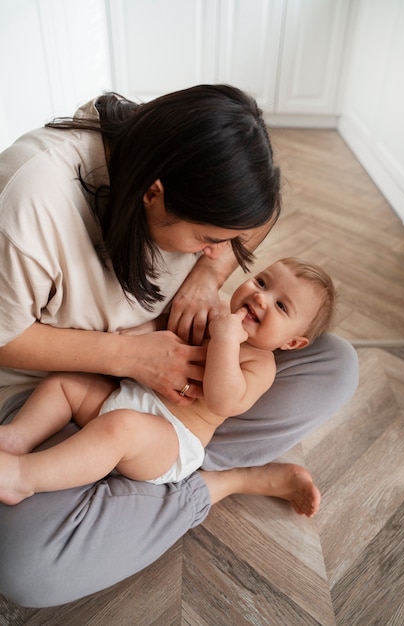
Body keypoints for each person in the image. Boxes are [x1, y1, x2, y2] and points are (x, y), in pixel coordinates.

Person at [0, 84, 358, 608]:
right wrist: (130, 357)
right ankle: (205, 481)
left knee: (337, 363)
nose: (223, 253)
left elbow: (257, 222)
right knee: (25, 570)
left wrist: (207, 276)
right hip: (60, 383)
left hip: (167, 425)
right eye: (207, 239)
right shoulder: (33, 201)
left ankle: (203, 479)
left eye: (227, 243)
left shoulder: (184, 158)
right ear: (155, 191)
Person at [0, 257, 335, 513]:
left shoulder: (260, 365)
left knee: (121, 429)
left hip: (171, 440)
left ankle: (22, 477)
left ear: (292, 343)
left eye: (280, 305)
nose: (261, 298)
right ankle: (18, 436)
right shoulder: (216, 311)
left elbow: (223, 399)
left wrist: (225, 341)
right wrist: (142, 334)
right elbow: (170, 327)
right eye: (262, 282)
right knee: (66, 381)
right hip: (126, 396)